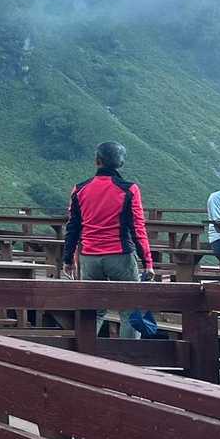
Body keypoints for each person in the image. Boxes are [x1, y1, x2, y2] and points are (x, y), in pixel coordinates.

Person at [63, 141, 155, 340]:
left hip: (89, 257)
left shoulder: (79, 189)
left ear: (97, 161)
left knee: (93, 311)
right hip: (120, 256)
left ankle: (84, 354)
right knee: (130, 311)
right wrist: (147, 262)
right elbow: (138, 228)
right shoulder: (129, 189)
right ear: (121, 163)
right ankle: (128, 357)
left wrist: (68, 259)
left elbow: (73, 227)